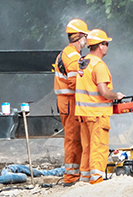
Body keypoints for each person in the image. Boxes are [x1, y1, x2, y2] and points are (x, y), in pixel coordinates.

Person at [74, 29, 123, 184]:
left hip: (84, 114)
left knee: (87, 148)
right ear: (100, 46)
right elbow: (103, 91)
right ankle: (96, 180)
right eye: (106, 43)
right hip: (97, 115)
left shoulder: (83, 63)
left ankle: (85, 179)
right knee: (99, 147)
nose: (107, 47)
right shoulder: (99, 66)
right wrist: (116, 96)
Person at [53, 18, 89, 185]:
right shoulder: (72, 56)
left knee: (75, 138)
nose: (86, 41)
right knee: (73, 139)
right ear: (79, 36)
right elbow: (75, 83)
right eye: (85, 37)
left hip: (67, 102)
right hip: (70, 102)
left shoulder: (67, 53)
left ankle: (75, 174)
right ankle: (71, 177)